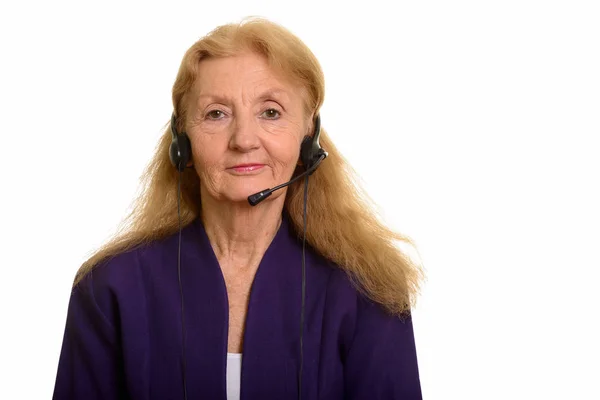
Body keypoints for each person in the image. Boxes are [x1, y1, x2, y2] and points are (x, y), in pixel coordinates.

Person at [52, 16, 425, 400]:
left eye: (271, 112)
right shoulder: (109, 289)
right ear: (184, 143)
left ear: (307, 138)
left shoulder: (370, 290)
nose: (244, 140)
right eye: (216, 114)